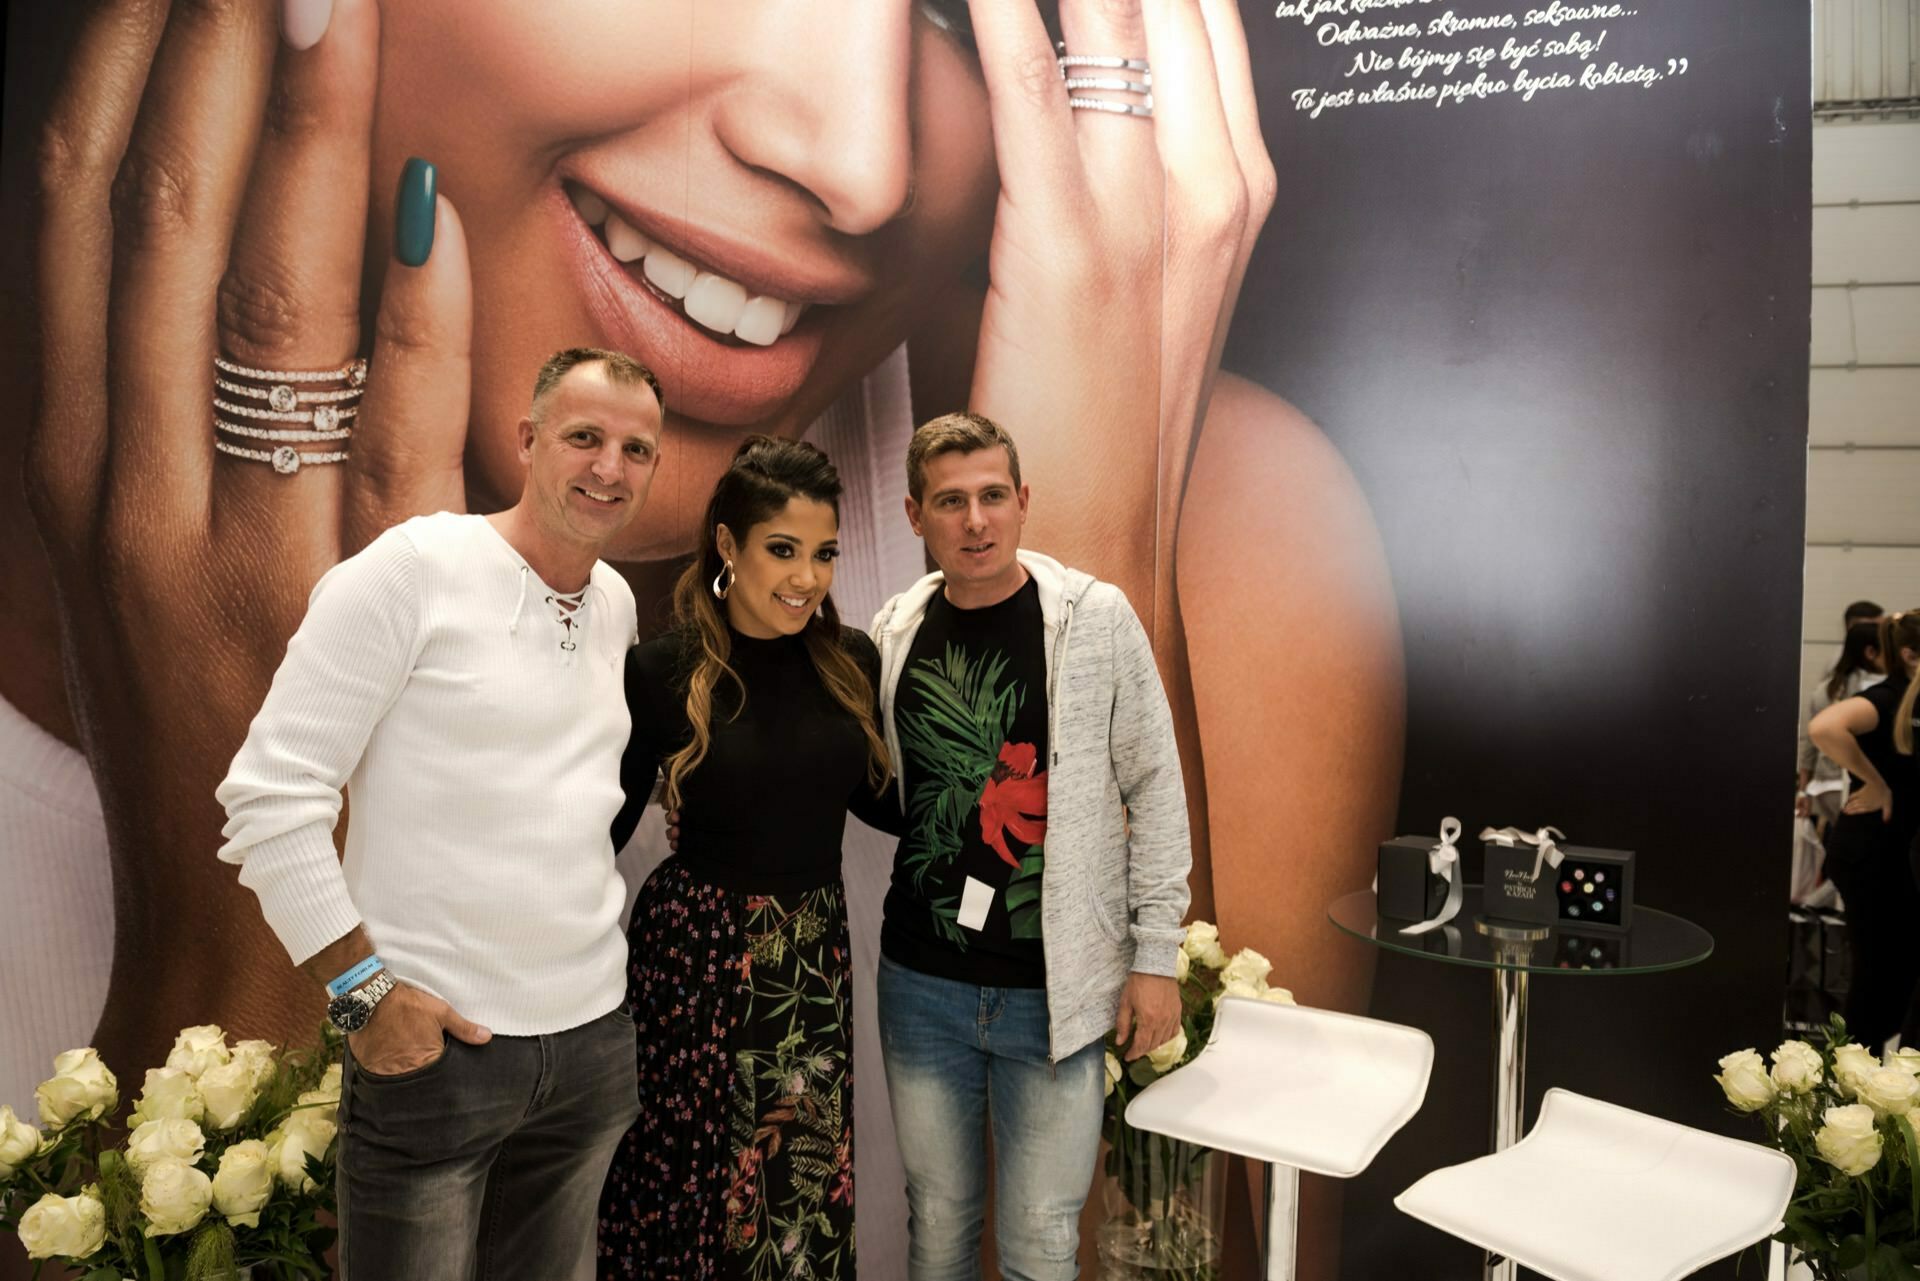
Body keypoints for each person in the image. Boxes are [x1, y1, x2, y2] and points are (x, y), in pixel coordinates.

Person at [4, 0, 1402, 1266]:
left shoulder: (1222, 552)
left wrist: (1065, 644)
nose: (862, 162)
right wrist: (248, 944)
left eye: (943, 11)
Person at [216, 348, 663, 1278]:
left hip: (589, 1052)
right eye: (585, 437)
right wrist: (362, 993)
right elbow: (270, 799)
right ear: (528, 439)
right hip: (439, 1055)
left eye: (636, 448)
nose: (610, 468)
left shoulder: (616, 602)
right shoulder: (413, 570)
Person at [869, 412, 1190, 1280]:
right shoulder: (893, 631)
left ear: (1022, 502)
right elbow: (876, 785)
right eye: (950, 501)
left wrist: (1155, 954)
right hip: (922, 985)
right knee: (936, 1226)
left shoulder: (1093, 622)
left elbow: (1155, 786)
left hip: (1055, 996)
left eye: (991, 496)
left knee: (1042, 1241)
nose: (974, 520)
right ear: (913, 514)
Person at [599, 436, 896, 1280]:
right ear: (729, 545)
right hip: (692, 960)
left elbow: (883, 803)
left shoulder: (851, 663)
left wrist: (1005, 793)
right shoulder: (661, 672)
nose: (807, 577)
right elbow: (601, 830)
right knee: (685, 1194)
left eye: (824, 553)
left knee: (792, 1198)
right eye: (783, 549)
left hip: (808, 962)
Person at [1809, 609, 1920, 1052]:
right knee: (1878, 975)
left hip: (1889, 855)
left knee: (1895, 974)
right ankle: (1851, 1078)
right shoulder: (1888, 697)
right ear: (1909, 654)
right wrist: (1876, 782)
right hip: (1870, 855)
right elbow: (1823, 727)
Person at [1797, 621, 1886, 831]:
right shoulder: (1874, 690)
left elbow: (1810, 741)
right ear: (1871, 652)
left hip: (1823, 785)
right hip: (1854, 782)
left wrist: (1803, 790)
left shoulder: (1825, 688)